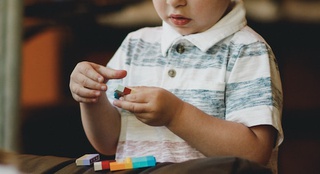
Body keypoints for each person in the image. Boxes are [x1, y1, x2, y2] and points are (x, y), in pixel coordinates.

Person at [69, 0, 283, 173]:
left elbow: (254, 154)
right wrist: (91, 97)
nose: (174, 2)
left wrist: (177, 115)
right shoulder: (136, 44)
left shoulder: (247, 50)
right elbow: (109, 142)